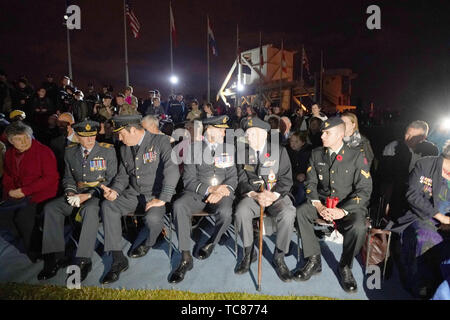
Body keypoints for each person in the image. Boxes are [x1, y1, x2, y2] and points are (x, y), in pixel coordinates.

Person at [294, 117, 372, 293]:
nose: (322, 135)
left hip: (348, 207)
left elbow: (365, 189)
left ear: (340, 135)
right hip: (321, 203)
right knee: (301, 212)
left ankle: (345, 266)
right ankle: (314, 260)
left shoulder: (357, 156)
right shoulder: (316, 154)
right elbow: (310, 184)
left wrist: (342, 211)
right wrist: (319, 206)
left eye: (327, 132)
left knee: (359, 227)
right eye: (322, 132)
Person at [99, 115, 180, 284]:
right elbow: (122, 176)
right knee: (108, 206)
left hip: (155, 195)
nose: (119, 138)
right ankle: (118, 259)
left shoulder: (160, 142)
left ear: (134, 130)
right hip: (133, 194)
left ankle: (149, 242)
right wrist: (114, 191)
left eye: (121, 134)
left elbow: (172, 170)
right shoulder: (124, 148)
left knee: (153, 219)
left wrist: (163, 198)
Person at [38, 120, 117, 282]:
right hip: (76, 193)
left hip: (97, 195)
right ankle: (56, 256)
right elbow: (68, 177)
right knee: (51, 208)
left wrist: (89, 195)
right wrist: (70, 191)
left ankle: (83, 259)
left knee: (90, 210)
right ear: (77, 136)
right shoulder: (70, 152)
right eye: (85, 136)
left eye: (93, 136)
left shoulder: (108, 151)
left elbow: (111, 180)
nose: (90, 140)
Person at [169, 115, 237, 283]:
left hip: (222, 194)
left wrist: (220, 192)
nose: (224, 133)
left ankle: (212, 241)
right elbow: (189, 180)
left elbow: (233, 177)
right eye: (221, 130)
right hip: (198, 193)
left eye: (224, 130)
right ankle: (185, 257)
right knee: (178, 205)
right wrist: (209, 190)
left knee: (226, 212)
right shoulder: (193, 149)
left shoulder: (228, 148)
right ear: (209, 130)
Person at [234, 117, 296, 282]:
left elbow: (286, 179)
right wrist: (255, 195)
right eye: (247, 134)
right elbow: (240, 180)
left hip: (275, 196)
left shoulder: (279, 151)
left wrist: (272, 195)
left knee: (289, 213)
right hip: (254, 196)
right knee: (241, 212)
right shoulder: (242, 153)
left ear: (263, 134)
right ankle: (248, 253)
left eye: (253, 134)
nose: (248, 138)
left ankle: (279, 256)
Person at [392, 140, 450, 298]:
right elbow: (412, 195)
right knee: (427, 238)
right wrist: (440, 217)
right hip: (421, 216)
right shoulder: (426, 164)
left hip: (447, 222)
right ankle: (421, 285)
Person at [0, 122, 59, 262]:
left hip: (41, 194)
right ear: (11, 141)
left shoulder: (44, 151)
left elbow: (51, 178)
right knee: (3, 216)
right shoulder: (9, 154)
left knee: (23, 218)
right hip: (19, 193)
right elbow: (8, 176)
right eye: (19, 139)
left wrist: (24, 191)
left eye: (27, 137)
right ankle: (28, 238)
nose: (25, 141)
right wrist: (9, 192)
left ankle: (35, 250)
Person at [380, 120, 439, 222]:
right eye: (407, 134)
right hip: (396, 192)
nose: (408, 138)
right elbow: (385, 176)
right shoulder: (393, 147)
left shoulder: (431, 150)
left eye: (414, 137)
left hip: (419, 194)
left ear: (423, 138)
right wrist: (386, 201)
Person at [287, 131, 312, 206]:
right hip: (290, 177)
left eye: (296, 141)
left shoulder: (309, 152)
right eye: (291, 141)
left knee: (302, 189)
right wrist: (295, 175)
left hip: (304, 179)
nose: (293, 144)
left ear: (303, 143)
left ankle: (296, 208)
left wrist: (305, 175)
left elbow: (311, 168)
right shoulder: (286, 151)